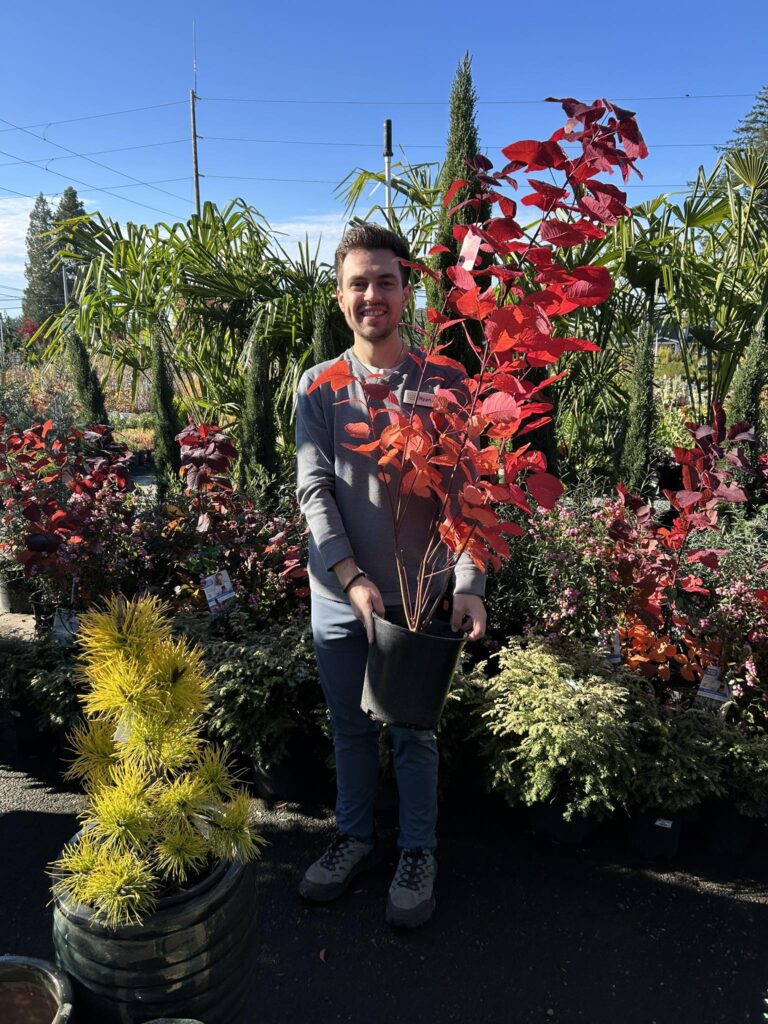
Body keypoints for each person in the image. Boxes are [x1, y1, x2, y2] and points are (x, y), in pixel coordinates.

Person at [295, 223, 486, 928]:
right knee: (350, 726)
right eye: (357, 283)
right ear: (341, 296)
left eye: (384, 280)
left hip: (417, 600)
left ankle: (416, 851)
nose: (371, 294)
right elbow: (314, 491)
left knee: (412, 731)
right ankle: (353, 838)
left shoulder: (447, 384)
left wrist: (467, 583)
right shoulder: (319, 387)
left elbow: (468, 495)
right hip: (340, 598)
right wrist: (348, 577)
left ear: (407, 290)